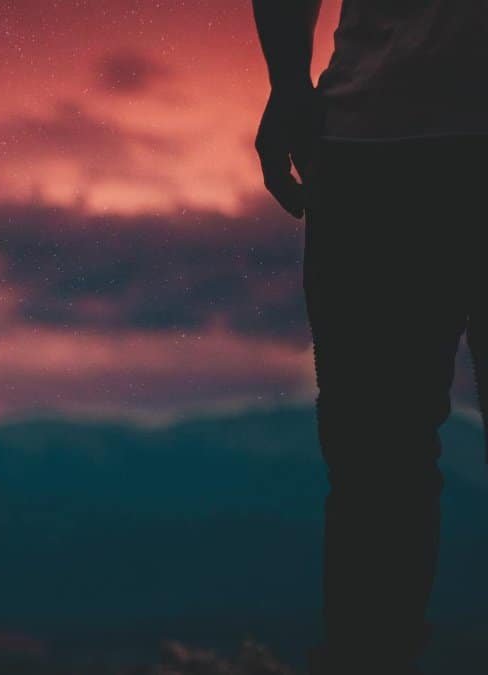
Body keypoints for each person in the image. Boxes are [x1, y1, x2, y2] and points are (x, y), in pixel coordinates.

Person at [251, 1, 488, 673]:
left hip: (376, 148)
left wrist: (291, 85)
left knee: (378, 468)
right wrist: (290, 86)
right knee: (375, 463)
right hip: (373, 146)